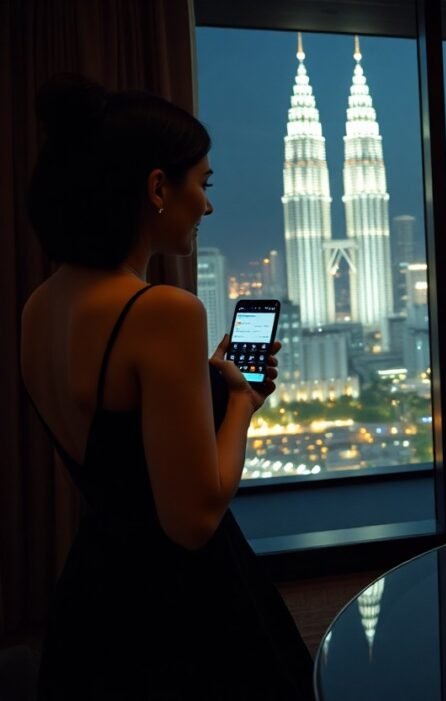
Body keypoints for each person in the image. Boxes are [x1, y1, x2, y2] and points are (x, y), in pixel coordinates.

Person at [20, 75, 313, 699]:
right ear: (158, 188)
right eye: (202, 185)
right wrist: (240, 402)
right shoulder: (163, 312)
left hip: (93, 595)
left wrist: (197, 382)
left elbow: (115, 455)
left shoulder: (39, 307)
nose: (207, 206)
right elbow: (194, 518)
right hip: (178, 609)